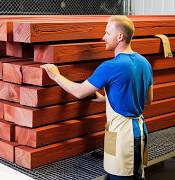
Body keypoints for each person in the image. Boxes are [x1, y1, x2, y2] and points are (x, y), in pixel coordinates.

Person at [41, 15, 153, 180]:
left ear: (120, 37)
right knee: (136, 174)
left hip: (123, 137)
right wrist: (106, 99)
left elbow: (79, 92)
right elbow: (147, 100)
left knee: (121, 176)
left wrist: (56, 75)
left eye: (107, 33)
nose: (103, 37)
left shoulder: (110, 66)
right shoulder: (144, 63)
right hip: (139, 131)